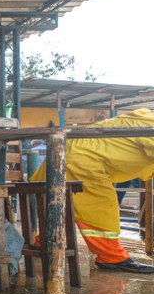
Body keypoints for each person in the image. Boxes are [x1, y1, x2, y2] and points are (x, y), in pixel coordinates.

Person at [33, 109, 154, 275]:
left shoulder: (144, 118)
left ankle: (46, 242)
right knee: (100, 208)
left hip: (69, 154)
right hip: (82, 161)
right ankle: (112, 257)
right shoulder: (149, 124)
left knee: (64, 206)